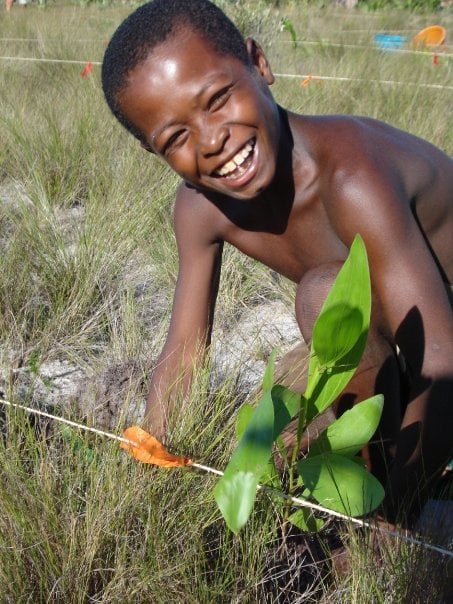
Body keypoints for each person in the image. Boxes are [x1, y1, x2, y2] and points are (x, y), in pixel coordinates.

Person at [101, 0, 453, 526]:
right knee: (278, 427)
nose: (212, 139)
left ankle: (387, 504)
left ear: (258, 64)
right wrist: (148, 474)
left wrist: (392, 525)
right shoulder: (200, 211)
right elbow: (182, 357)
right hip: (413, 329)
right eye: (175, 138)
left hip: (442, 338)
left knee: (323, 298)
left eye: (218, 98)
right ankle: (377, 478)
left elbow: (443, 361)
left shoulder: (353, 178)